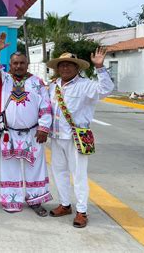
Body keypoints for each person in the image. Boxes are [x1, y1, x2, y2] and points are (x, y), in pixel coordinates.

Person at [0, 32, 52, 216]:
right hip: (9, 133)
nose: (18, 66)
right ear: (11, 65)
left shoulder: (37, 83)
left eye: (22, 63)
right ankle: (11, 201)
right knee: (9, 168)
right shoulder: (3, 79)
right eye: (15, 63)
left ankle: (35, 200)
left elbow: (45, 107)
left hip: (33, 133)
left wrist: (43, 128)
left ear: (27, 64)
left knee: (35, 167)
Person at [47, 49, 114, 228]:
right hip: (56, 136)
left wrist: (99, 66)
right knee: (59, 172)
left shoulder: (86, 85)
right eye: (62, 65)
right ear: (57, 68)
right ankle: (65, 204)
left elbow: (106, 89)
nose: (65, 67)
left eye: (70, 64)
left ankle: (82, 211)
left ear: (77, 67)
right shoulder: (54, 85)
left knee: (78, 175)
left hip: (76, 137)